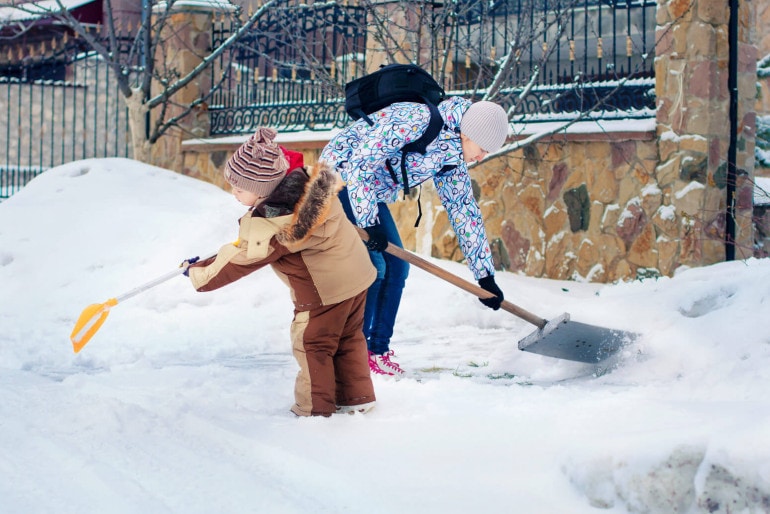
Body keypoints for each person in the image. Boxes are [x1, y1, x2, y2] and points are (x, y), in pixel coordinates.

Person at [184, 127, 377, 417]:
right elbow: (247, 247)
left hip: (324, 291)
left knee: (314, 344)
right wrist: (207, 260)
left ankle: (314, 410)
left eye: (239, 188)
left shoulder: (277, 221)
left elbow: (244, 258)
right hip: (356, 277)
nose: (233, 193)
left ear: (262, 188)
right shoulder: (309, 187)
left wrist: (198, 274)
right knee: (348, 339)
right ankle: (357, 399)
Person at [319, 97, 509, 377]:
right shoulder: (417, 120)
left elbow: (464, 211)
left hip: (368, 191)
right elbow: (360, 162)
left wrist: (485, 277)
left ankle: (376, 352)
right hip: (340, 175)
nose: (481, 157)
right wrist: (369, 222)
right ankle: (352, 354)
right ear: (467, 133)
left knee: (398, 267)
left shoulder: (452, 158)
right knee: (376, 268)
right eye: (481, 149)